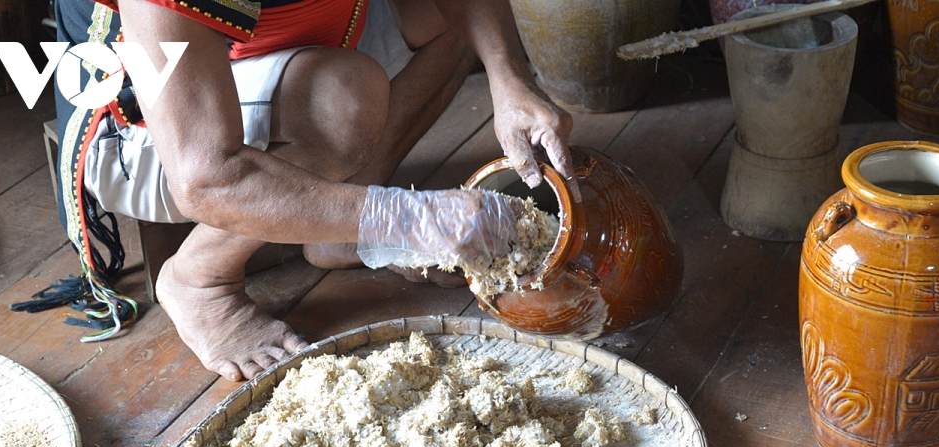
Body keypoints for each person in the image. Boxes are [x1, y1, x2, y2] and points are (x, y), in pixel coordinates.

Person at [49, 0, 573, 381]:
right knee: (342, 100)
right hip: (140, 116)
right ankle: (200, 277)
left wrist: (510, 78)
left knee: (451, 23)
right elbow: (203, 176)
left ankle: (341, 227)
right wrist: (411, 218)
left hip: (285, 39)